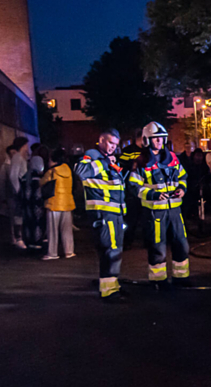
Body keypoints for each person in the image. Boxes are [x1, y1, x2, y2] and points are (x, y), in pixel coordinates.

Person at [127, 122, 190, 287]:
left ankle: (181, 278)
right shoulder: (141, 162)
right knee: (157, 247)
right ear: (147, 140)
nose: (160, 142)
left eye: (162, 138)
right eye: (156, 139)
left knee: (181, 244)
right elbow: (134, 186)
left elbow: (183, 176)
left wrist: (182, 188)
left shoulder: (173, 158)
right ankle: (158, 281)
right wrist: (153, 194)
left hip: (175, 210)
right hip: (155, 212)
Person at [74, 129, 127, 301]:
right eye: (110, 143)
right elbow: (80, 171)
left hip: (114, 213)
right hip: (104, 213)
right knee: (111, 251)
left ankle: (110, 286)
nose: (113, 148)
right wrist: (104, 163)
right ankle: (110, 292)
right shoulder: (92, 156)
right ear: (101, 140)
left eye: (115, 145)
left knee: (112, 251)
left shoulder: (108, 159)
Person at [41, 148, 76, 260]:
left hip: (54, 203)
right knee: (67, 230)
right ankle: (69, 252)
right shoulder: (68, 170)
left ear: (54, 160)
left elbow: (42, 183)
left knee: (52, 231)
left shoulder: (51, 171)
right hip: (67, 203)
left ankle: (52, 253)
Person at [21, 144, 49, 249]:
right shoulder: (38, 177)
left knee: (28, 222)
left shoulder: (26, 175)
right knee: (37, 222)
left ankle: (29, 241)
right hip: (37, 203)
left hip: (26, 203)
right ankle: (37, 241)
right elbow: (39, 192)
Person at [6, 137, 30, 248]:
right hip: (20, 190)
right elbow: (13, 175)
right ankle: (18, 238)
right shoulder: (17, 157)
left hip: (22, 189)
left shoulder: (20, 157)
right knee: (18, 215)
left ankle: (20, 238)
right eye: (26, 145)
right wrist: (18, 190)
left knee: (20, 215)